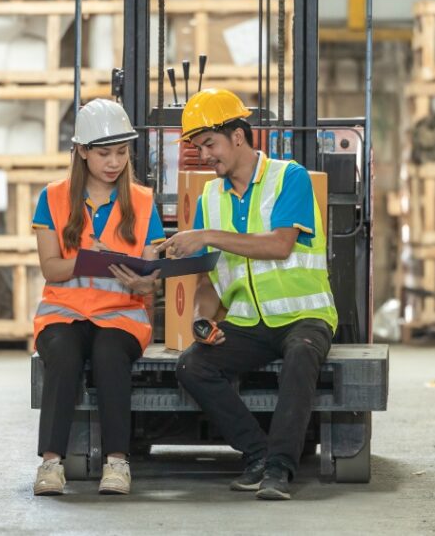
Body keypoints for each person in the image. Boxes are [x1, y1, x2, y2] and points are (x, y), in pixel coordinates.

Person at [157, 89, 338, 501]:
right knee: (192, 366)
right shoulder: (210, 196)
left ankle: (279, 469)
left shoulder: (288, 176)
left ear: (238, 136)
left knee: (300, 354)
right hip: (246, 322)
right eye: (199, 147)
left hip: (303, 315)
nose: (204, 156)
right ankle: (258, 455)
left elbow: (280, 245)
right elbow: (205, 279)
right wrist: (202, 321)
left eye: (210, 144)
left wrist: (204, 234)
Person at [31, 99, 165, 496]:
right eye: (104, 153)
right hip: (63, 314)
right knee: (65, 355)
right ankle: (51, 463)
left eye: (121, 152)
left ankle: (118, 463)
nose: (114, 162)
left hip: (122, 316)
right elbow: (51, 268)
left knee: (109, 356)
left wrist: (146, 284)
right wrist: (89, 262)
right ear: (82, 151)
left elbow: (151, 272)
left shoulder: (141, 201)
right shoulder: (53, 198)